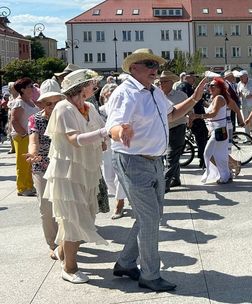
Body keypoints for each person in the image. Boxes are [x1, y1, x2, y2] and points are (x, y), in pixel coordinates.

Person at [106, 48, 207, 291]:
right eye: (150, 65)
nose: (155, 70)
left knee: (151, 215)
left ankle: (125, 263)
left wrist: (194, 99)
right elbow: (113, 125)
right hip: (133, 160)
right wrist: (121, 132)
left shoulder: (153, 92)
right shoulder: (126, 93)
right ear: (134, 68)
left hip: (153, 160)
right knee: (150, 217)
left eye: (156, 66)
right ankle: (150, 275)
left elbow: (172, 114)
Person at [42, 69, 110, 284]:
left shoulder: (89, 107)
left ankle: (63, 253)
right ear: (80, 87)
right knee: (74, 221)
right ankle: (70, 268)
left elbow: (99, 135)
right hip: (67, 173)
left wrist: (103, 141)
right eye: (92, 83)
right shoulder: (63, 108)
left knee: (87, 217)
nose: (95, 87)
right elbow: (74, 139)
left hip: (87, 171)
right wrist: (104, 134)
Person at [25, 92, 64, 260]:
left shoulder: (66, 117)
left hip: (64, 166)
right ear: (42, 104)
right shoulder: (36, 119)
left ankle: (65, 240)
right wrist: (32, 153)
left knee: (65, 206)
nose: (54, 107)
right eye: (49, 104)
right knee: (46, 207)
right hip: (42, 166)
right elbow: (33, 140)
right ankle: (53, 244)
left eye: (57, 103)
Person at [190, 78, 232, 184]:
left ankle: (225, 174)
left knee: (208, 153)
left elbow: (213, 114)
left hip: (219, 130)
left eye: (213, 86)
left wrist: (197, 116)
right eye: (210, 85)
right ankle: (226, 174)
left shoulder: (218, 98)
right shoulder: (216, 98)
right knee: (218, 154)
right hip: (217, 130)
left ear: (219, 88)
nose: (210, 87)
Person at [98, 83, 127, 219]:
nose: (112, 94)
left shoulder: (123, 108)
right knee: (108, 178)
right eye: (109, 92)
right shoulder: (100, 110)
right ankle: (123, 195)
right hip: (106, 147)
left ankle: (119, 203)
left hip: (121, 146)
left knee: (119, 178)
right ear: (104, 95)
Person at [158, 71, 189, 193]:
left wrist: (190, 118)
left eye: (164, 81)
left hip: (177, 128)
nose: (161, 84)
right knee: (164, 156)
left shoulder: (181, 95)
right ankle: (176, 178)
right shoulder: (157, 95)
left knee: (172, 156)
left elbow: (188, 109)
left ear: (171, 82)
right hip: (161, 130)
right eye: (160, 82)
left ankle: (165, 183)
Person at [11, 78, 39, 196]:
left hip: (30, 136)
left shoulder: (30, 101)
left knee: (30, 163)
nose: (33, 88)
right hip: (22, 136)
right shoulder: (19, 102)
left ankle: (29, 185)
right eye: (30, 86)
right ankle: (22, 188)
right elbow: (14, 121)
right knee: (23, 163)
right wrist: (24, 134)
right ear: (22, 89)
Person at [237, 70, 252, 141]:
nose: (240, 78)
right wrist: (239, 95)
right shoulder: (239, 84)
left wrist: (251, 95)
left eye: (241, 77)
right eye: (239, 77)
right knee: (246, 121)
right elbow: (239, 94)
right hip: (244, 105)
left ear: (246, 76)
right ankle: (247, 138)